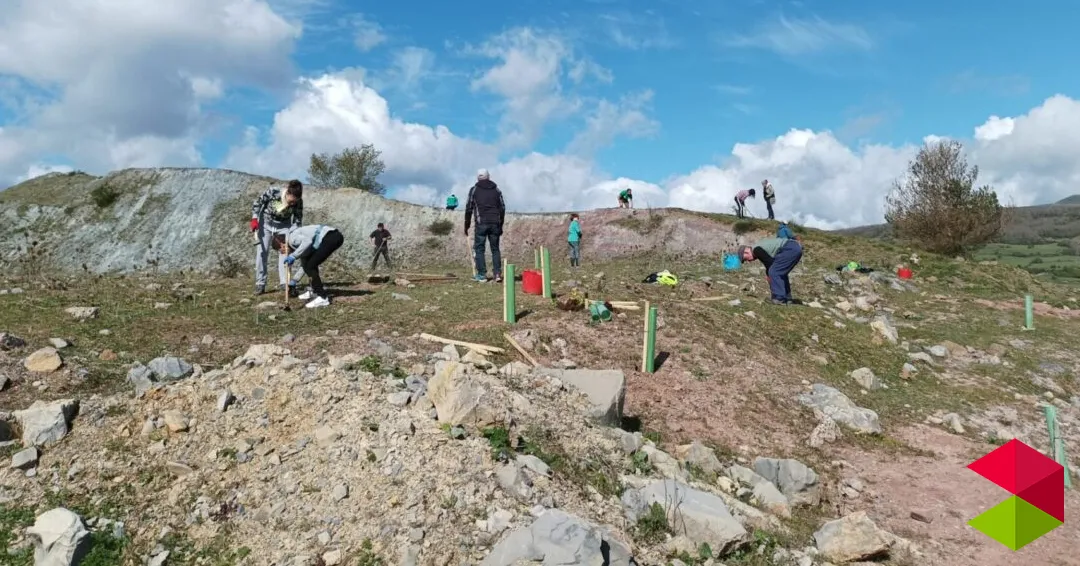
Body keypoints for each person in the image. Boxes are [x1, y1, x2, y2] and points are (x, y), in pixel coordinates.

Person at [251, 179, 303, 295]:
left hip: (284, 226)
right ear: (288, 193)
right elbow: (258, 203)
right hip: (266, 224)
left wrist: (293, 232)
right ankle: (260, 284)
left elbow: (297, 219)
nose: (292, 204)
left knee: (284, 253)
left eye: (295, 202)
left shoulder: (299, 202)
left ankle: (284, 283)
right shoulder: (273, 193)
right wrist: (254, 218)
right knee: (262, 253)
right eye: (291, 201)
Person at [272, 224, 344, 309]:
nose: (283, 253)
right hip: (332, 237)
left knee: (311, 266)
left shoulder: (292, 239)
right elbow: (304, 265)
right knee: (309, 265)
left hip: (331, 236)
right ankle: (314, 291)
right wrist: (294, 281)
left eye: (281, 251)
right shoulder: (298, 247)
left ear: (282, 245)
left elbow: (307, 241)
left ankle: (322, 297)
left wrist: (293, 256)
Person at [464, 169, 506, 283]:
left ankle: (482, 275)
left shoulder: (474, 190)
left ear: (478, 178)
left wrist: (466, 225)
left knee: (479, 249)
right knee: (495, 249)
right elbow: (502, 208)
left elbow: (469, 208)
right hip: (495, 223)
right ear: (489, 177)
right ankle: (497, 274)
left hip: (481, 223)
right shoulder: (496, 190)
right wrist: (500, 224)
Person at [738, 236, 803, 305]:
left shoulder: (756, 250)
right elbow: (770, 263)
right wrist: (769, 274)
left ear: (746, 252)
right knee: (781, 273)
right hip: (794, 248)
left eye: (745, 259)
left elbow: (770, 264)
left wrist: (769, 275)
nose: (748, 261)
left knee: (774, 272)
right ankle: (787, 298)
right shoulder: (758, 248)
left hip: (789, 249)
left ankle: (779, 298)